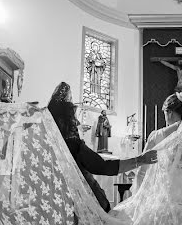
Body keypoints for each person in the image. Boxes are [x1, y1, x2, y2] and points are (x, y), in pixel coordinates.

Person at [46, 82, 157, 212]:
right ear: (69, 118)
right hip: (79, 205)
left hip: (54, 203)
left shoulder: (48, 143)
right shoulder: (73, 145)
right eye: (74, 116)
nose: (77, 122)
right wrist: (141, 160)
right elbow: (103, 166)